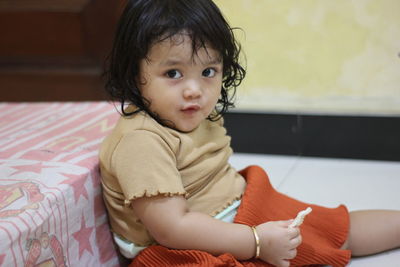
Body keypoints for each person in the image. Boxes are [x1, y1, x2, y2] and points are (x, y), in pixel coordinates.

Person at [99, 0, 400, 266]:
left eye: (208, 72)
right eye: (173, 73)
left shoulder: (186, 111)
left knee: (332, 231)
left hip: (239, 207)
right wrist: (255, 242)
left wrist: (258, 235)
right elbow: (172, 229)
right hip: (176, 249)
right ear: (135, 74)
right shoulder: (140, 141)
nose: (195, 90)